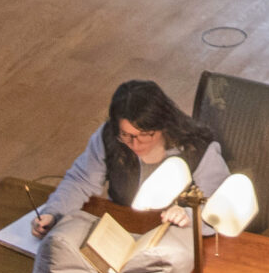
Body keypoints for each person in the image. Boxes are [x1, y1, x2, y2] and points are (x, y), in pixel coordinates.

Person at [32, 79, 229, 237]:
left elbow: (221, 206)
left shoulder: (198, 147)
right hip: (124, 231)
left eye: (145, 135)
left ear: (163, 125)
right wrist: (54, 213)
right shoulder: (110, 137)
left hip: (178, 237)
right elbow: (81, 181)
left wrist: (188, 215)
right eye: (126, 135)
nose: (135, 144)